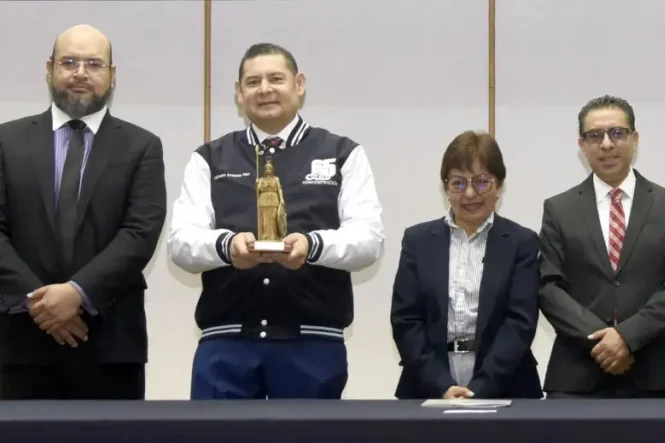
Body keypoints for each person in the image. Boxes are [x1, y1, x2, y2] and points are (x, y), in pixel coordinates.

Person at [167, 42, 384, 399]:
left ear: (299, 84)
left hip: (313, 343)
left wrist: (312, 246)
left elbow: (368, 240)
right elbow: (181, 242)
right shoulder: (210, 157)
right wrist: (227, 247)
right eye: (253, 82)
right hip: (226, 344)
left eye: (276, 79)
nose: (264, 89)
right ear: (239, 93)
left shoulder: (341, 153)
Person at [0, 24, 166, 400]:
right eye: (69, 62)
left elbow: (140, 232)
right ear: (50, 68)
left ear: (112, 74)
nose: (80, 73)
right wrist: (41, 304)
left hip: (109, 341)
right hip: (21, 340)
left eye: (93, 64)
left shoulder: (141, 146)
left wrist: (78, 293)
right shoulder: (6, 141)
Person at [538, 95, 665, 398]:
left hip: (652, 373)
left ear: (634, 139)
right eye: (595, 136)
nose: (607, 144)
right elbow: (549, 288)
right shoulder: (559, 209)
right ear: (582, 145)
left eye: (617, 133)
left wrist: (627, 337)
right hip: (576, 376)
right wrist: (602, 341)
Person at [390, 131, 542, 399]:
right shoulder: (418, 240)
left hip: (506, 383)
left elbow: (520, 322)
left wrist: (480, 388)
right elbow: (406, 320)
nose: (470, 193)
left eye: (482, 182)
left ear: (499, 185)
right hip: (427, 382)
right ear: (446, 189)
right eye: (458, 183)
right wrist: (440, 384)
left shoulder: (522, 242)